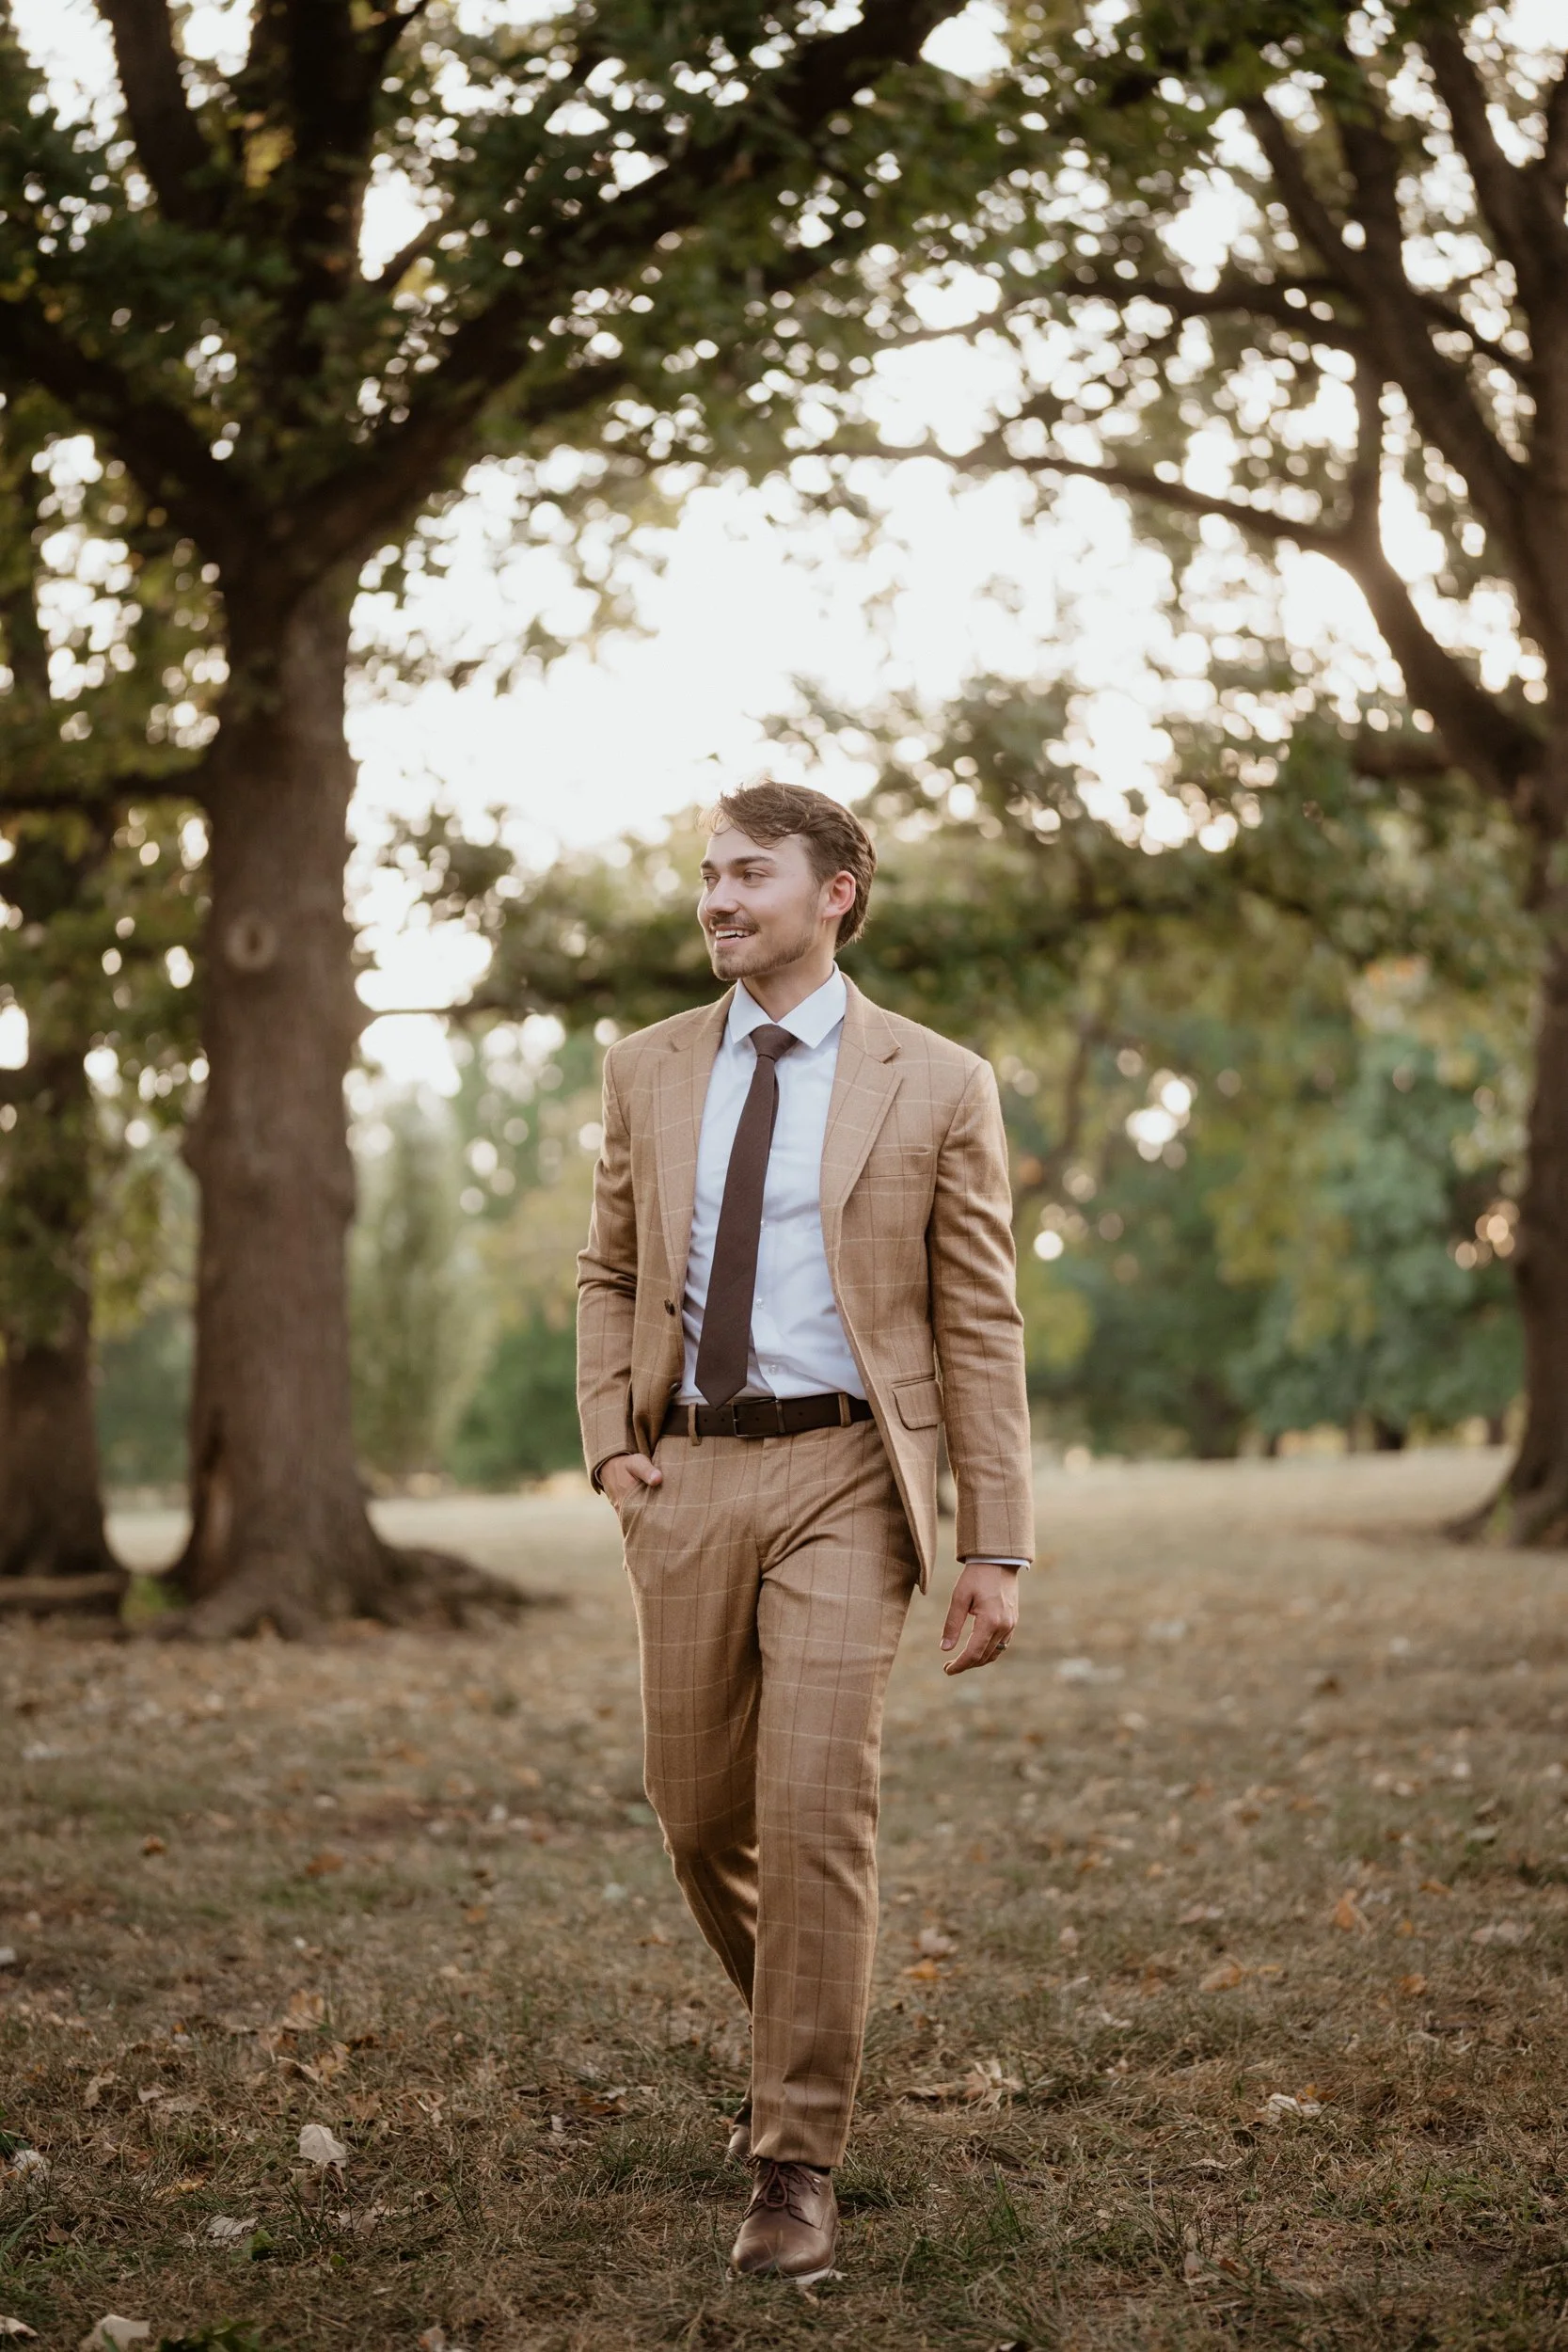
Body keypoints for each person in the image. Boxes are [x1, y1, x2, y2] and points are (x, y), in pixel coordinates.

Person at [577, 780, 1033, 2282]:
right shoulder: (643, 1068)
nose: (715, 899)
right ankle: (800, 2031)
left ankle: (793, 2161)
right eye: (705, 873)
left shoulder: (937, 1080)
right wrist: (610, 1452)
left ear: (834, 892)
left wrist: (993, 1544)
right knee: (700, 1813)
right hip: (689, 1476)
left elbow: (977, 1320)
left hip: (849, 1475)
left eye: (747, 875)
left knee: (815, 1804)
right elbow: (607, 1268)